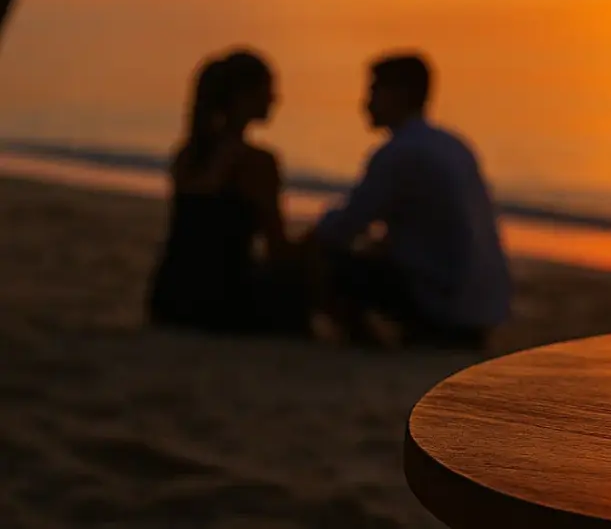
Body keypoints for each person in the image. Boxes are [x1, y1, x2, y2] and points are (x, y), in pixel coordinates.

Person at [310, 53, 510, 347]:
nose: (366, 103)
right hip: (484, 307)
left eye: (374, 91)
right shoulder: (454, 145)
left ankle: (367, 344)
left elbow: (343, 227)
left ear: (401, 95)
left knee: (324, 262)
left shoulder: (399, 152)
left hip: (445, 304)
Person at [148, 50, 305, 334]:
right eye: (268, 90)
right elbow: (277, 245)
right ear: (242, 97)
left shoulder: (187, 155)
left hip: (169, 296)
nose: (275, 99)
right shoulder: (257, 162)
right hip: (225, 301)